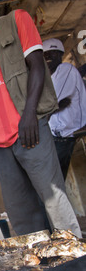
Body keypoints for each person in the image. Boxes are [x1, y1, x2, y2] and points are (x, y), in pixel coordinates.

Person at [0, 0, 81, 237]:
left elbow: (37, 66)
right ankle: (43, 266)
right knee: (20, 212)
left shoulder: (17, 20)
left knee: (54, 199)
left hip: (29, 129)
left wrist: (29, 115)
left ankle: (77, 263)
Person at [43, 38, 86, 179]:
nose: (49, 57)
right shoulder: (48, 78)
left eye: (53, 54)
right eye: (46, 55)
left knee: (55, 181)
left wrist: (48, 110)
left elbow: (53, 104)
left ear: (60, 55)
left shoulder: (65, 69)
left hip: (68, 132)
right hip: (57, 135)